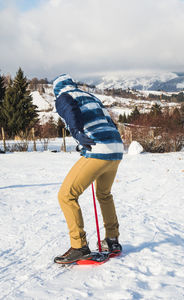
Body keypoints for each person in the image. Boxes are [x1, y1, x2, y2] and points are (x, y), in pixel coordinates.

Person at [53, 74, 124, 264]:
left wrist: (77, 133)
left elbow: (71, 112)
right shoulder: (92, 97)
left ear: (57, 89)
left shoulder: (63, 97)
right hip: (116, 148)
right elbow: (107, 122)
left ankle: (79, 247)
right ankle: (112, 240)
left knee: (66, 195)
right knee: (104, 194)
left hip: (99, 149)